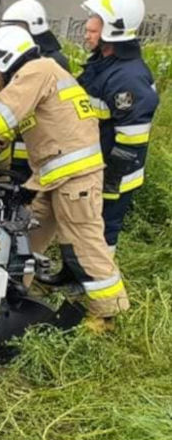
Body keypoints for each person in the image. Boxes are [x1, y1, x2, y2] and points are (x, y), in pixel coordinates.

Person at [0, 26, 129, 328]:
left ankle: (109, 313)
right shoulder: (43, 73)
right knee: (28, 236)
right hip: (54, 177)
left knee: (85, 243)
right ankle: (17, 289)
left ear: (6, 58)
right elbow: (8, 127)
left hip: (75, 178)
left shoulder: (37, 70)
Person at [78, 0, 158, 252]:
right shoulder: (102, 64)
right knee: (82, 225)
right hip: (95, 164)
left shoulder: (128, 77)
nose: (86, 34)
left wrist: (109, 180)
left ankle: (98, 283)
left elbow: (132, 140)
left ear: (111, 32)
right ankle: (73, 273)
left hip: (115, 171)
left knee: (103, 231)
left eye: (92, 31)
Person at [0, 0, 71, 183]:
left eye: (15, 27)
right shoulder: (22, 55)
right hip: (18, 144)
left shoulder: (53, 62)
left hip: (40, 147)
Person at [1, 0, 69, 71]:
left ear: (35, 26)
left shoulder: (56, 61)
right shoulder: (10, 57)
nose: (11, 32)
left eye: (16, 27)